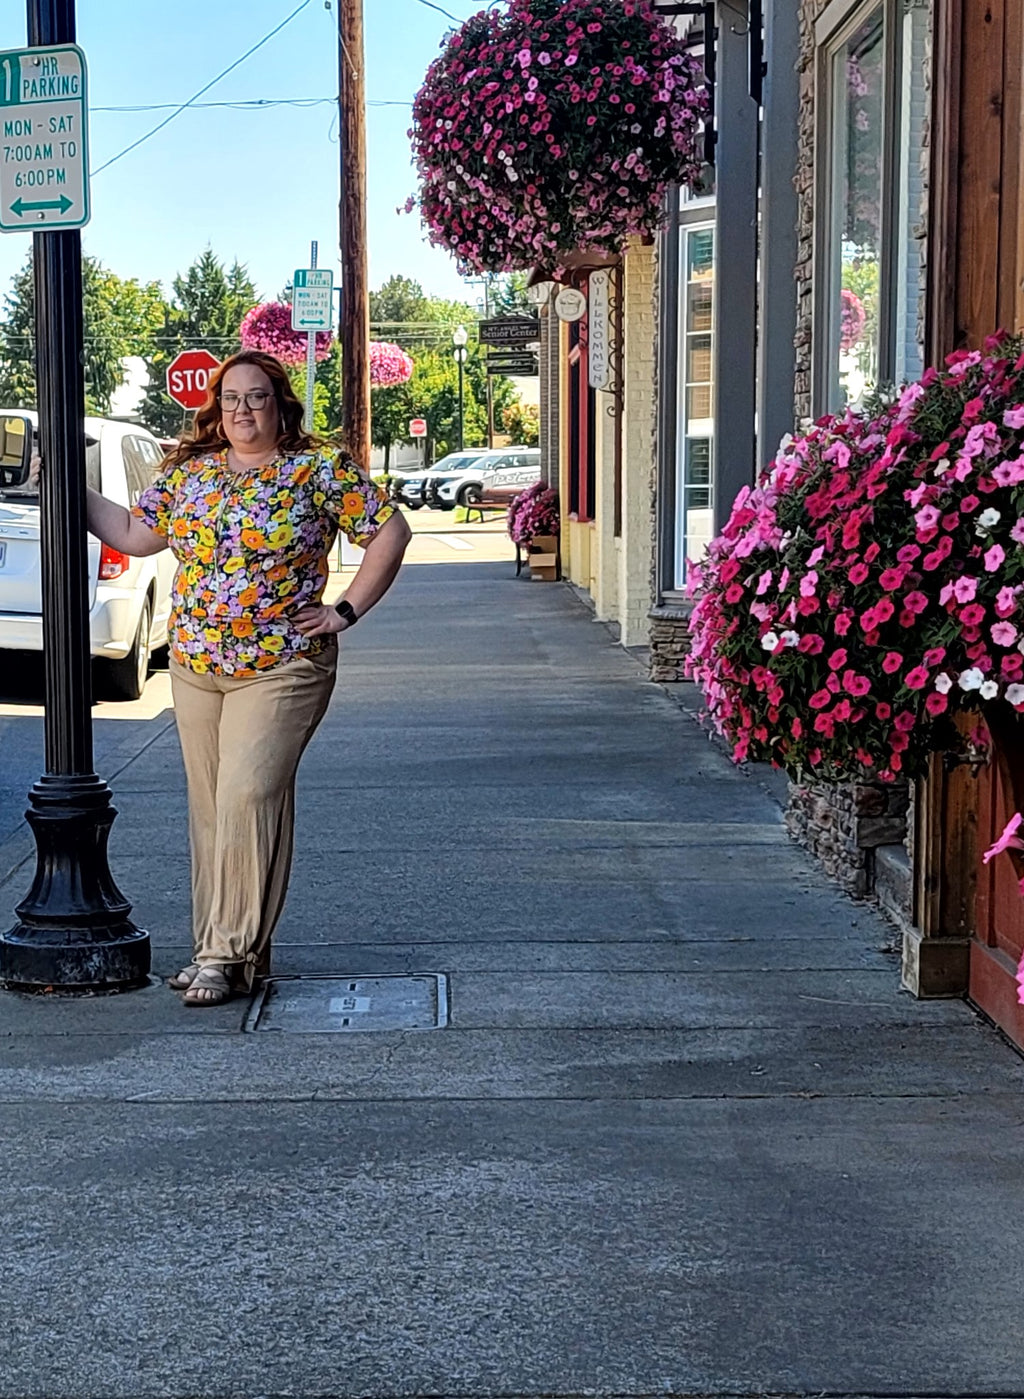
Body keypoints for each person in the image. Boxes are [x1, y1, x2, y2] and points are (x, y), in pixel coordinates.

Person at [85, 350, 411, 1006]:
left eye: (256, 397)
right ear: (216, 407)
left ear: (279, 402)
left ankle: (221, 952)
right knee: (212, 809)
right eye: (230, 398)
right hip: (197, 664)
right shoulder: (191, 474)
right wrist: (64, 479)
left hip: (285, 664)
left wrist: (344, 608)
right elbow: (131, 532)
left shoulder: (317, 469)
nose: (242, 410)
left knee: (246, 794)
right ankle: (233, 951)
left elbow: (390, 532)